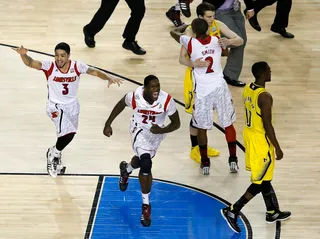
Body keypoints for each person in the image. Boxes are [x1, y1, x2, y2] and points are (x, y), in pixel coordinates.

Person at [13, 43, 123, 178]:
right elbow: (30, 63)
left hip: (72, 106)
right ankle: (53, 154)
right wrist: (23, 54)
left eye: (62, 56)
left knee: (67, 135)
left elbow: (93, 71)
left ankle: (56, 153)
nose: (59, 58)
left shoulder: (76, 66)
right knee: (68, 133)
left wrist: (108, 77)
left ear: (68, 56)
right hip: (55, 106)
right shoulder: (49, 66)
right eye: (56, 55)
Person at [221, 62, 291, 233]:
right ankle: (233, 210)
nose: (270, 72)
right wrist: (277, 147)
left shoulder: (248, 88)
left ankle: (272, 211)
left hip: (250, 135)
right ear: (262, 74)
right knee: (259, 182)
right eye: (268, 70)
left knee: (265, 177)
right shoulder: (265, 96)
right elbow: (267, 124)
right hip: (260, 140)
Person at [170, 3, 243, 167]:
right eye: (209, 17)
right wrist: (193, 63)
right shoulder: (191, 31)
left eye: (212, 15)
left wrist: (229, 41)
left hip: (208, 81)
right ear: (200, 18)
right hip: (194, 77)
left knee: (202, 119)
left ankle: (202, 152)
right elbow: (182, 59)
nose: (212, 19)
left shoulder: (217, 27)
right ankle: (195, 148)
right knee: (196, 116)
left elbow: (239, 40)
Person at [103, 75, 180, 226]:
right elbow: (120, 104)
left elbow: (176, 124)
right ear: (145, 88)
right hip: (139, 130)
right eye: (152, 87)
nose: (156, 89)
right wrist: (108, 123)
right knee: (146, 163)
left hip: (157, 132)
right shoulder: (134, 97)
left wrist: (161, 130)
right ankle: (146, 206)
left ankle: (126, 169)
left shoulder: (166, 100)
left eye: (158, 86)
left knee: (141, 161)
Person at [201, 0, 247, 87]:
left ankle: (229, 74)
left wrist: (250, 7)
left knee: (242, 40)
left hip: (235, 8)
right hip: (219, 9)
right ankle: (229, 74)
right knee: (236, 42)